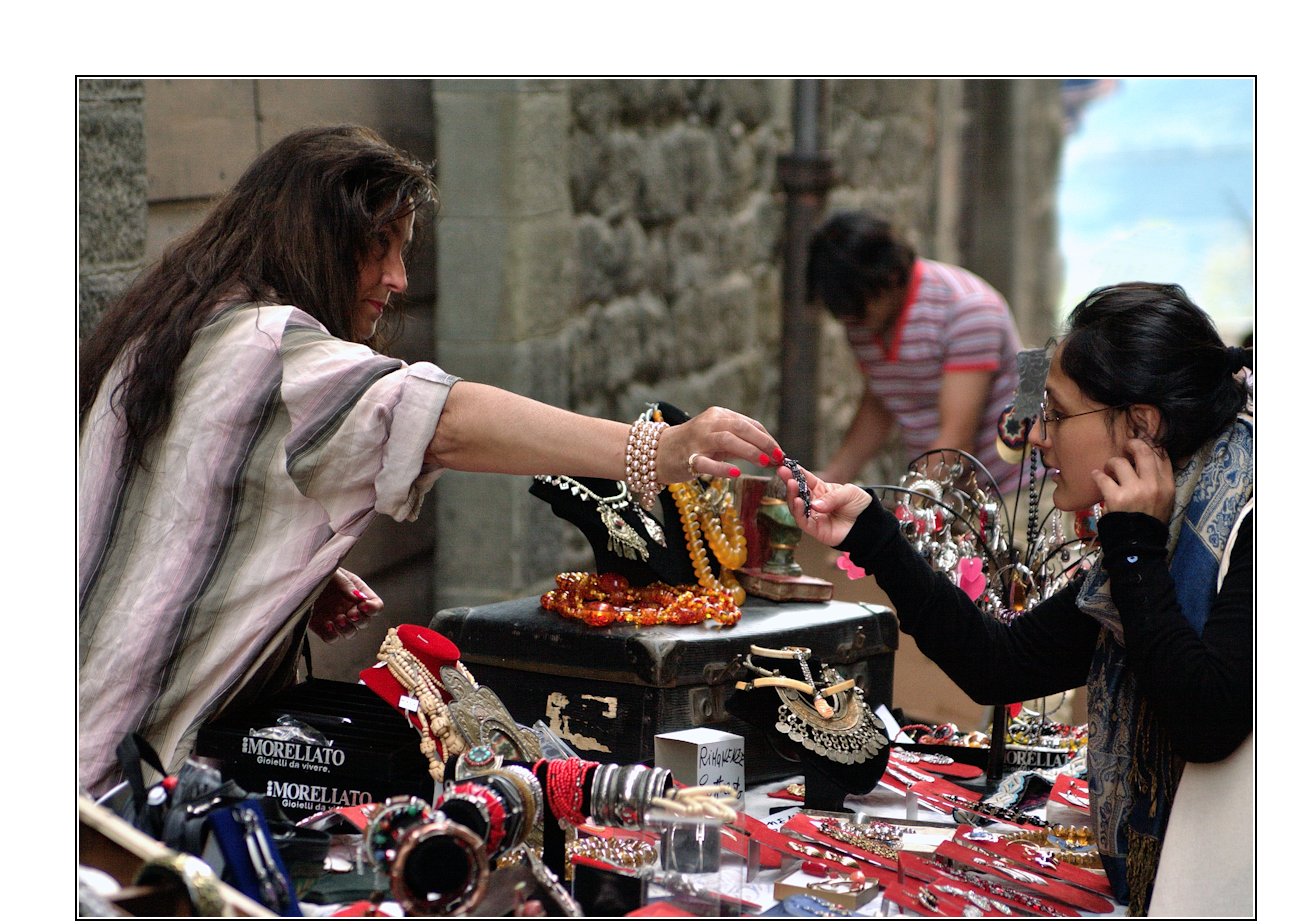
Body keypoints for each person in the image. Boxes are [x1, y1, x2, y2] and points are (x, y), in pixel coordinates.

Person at [78, 124, 783, 798]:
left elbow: (178, 512)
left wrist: (271, 567)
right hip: (123, 782)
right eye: (377, 247)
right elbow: (437, 419)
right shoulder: (270, 349)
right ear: (311, 240)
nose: (398, 277)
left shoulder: (181, 327)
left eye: (403, 249)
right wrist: (655, 450)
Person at [778, 282, 1253, 916]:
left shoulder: (1244, 517)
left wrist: (1135, 545)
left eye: (1056, 414)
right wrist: (873, 533)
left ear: (1141, 425)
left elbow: (1208, 722)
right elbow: (1001, 664)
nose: (1036, 436)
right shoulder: (1166, 506)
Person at [807, 210, 1023, 492]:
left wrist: (912, 503)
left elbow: (956, 438)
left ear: (893, 276)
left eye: (860, 306)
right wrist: (832, 478)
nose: (852, 322)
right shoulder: (861, 319)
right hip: (944, 491)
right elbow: (882, 400)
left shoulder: (968, 309)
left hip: (1010, 490)